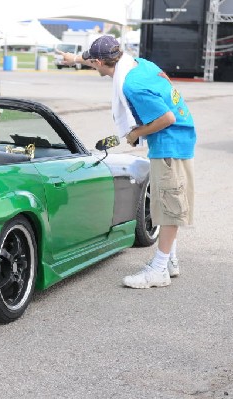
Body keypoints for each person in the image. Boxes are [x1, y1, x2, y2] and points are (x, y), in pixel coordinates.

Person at [57, 35, 196, 289]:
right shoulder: (139, 64)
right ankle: (170, 261)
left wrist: (134, 134)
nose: (91, 62)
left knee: (169, 209)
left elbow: (166, 118)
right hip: (174, 143)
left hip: (170, 145)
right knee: (163, 204)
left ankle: (158, 270)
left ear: (101, 61)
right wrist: (74, 59)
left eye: (92, 60)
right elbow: (162, 79)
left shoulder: (131, 85)